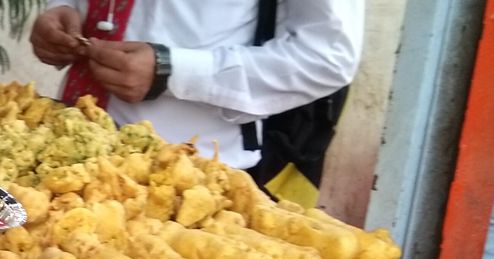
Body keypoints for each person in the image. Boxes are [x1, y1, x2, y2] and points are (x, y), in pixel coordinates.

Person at [29, 1, 364, 171]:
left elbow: (328, 55)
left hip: (186, 180)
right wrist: (65, 9)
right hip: (61, 150)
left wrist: (173, 72)